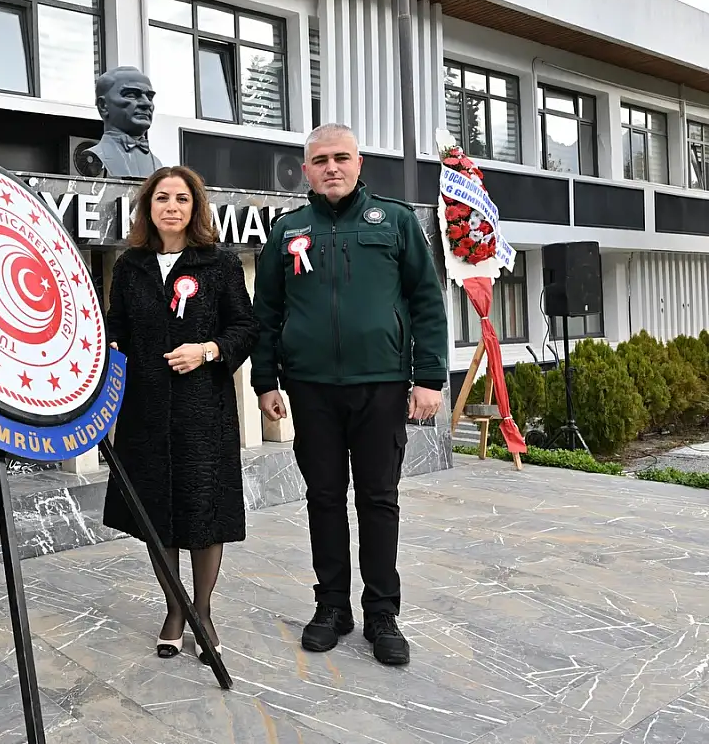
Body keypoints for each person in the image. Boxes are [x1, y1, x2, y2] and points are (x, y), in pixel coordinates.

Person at [249, 123, 448, 666]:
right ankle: (332, 607)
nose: (331, 167)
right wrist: (265, 381)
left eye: (341, 157)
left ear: (359, 164)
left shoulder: (397, 221)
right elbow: (265, 312)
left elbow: (427, 302)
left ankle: (382, 613)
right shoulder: (287, 230)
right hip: (310, 388)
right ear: (306, 170)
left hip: (381, 385)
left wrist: (429, 378)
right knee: (324, 498)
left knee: (379, 500)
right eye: (320, 160)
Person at [101, 165, 259, 664]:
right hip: (144, 412)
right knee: (157, 515)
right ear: (148, 207)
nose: (172, 206)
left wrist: (208, 350)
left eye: (182, 199)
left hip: (202, 411)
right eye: (162, 198)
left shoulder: (220, 264)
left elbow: (245, 327)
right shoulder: (130, 267)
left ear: (196, 207)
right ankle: (175, 610)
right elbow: (115, 330)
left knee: (203, 512)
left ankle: (203, 610)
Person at [82, 66, 163, 179]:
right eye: (131, 95)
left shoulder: (158, 166)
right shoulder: (95, 158)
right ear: (103, 106)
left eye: (149, 97)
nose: (147, 103)